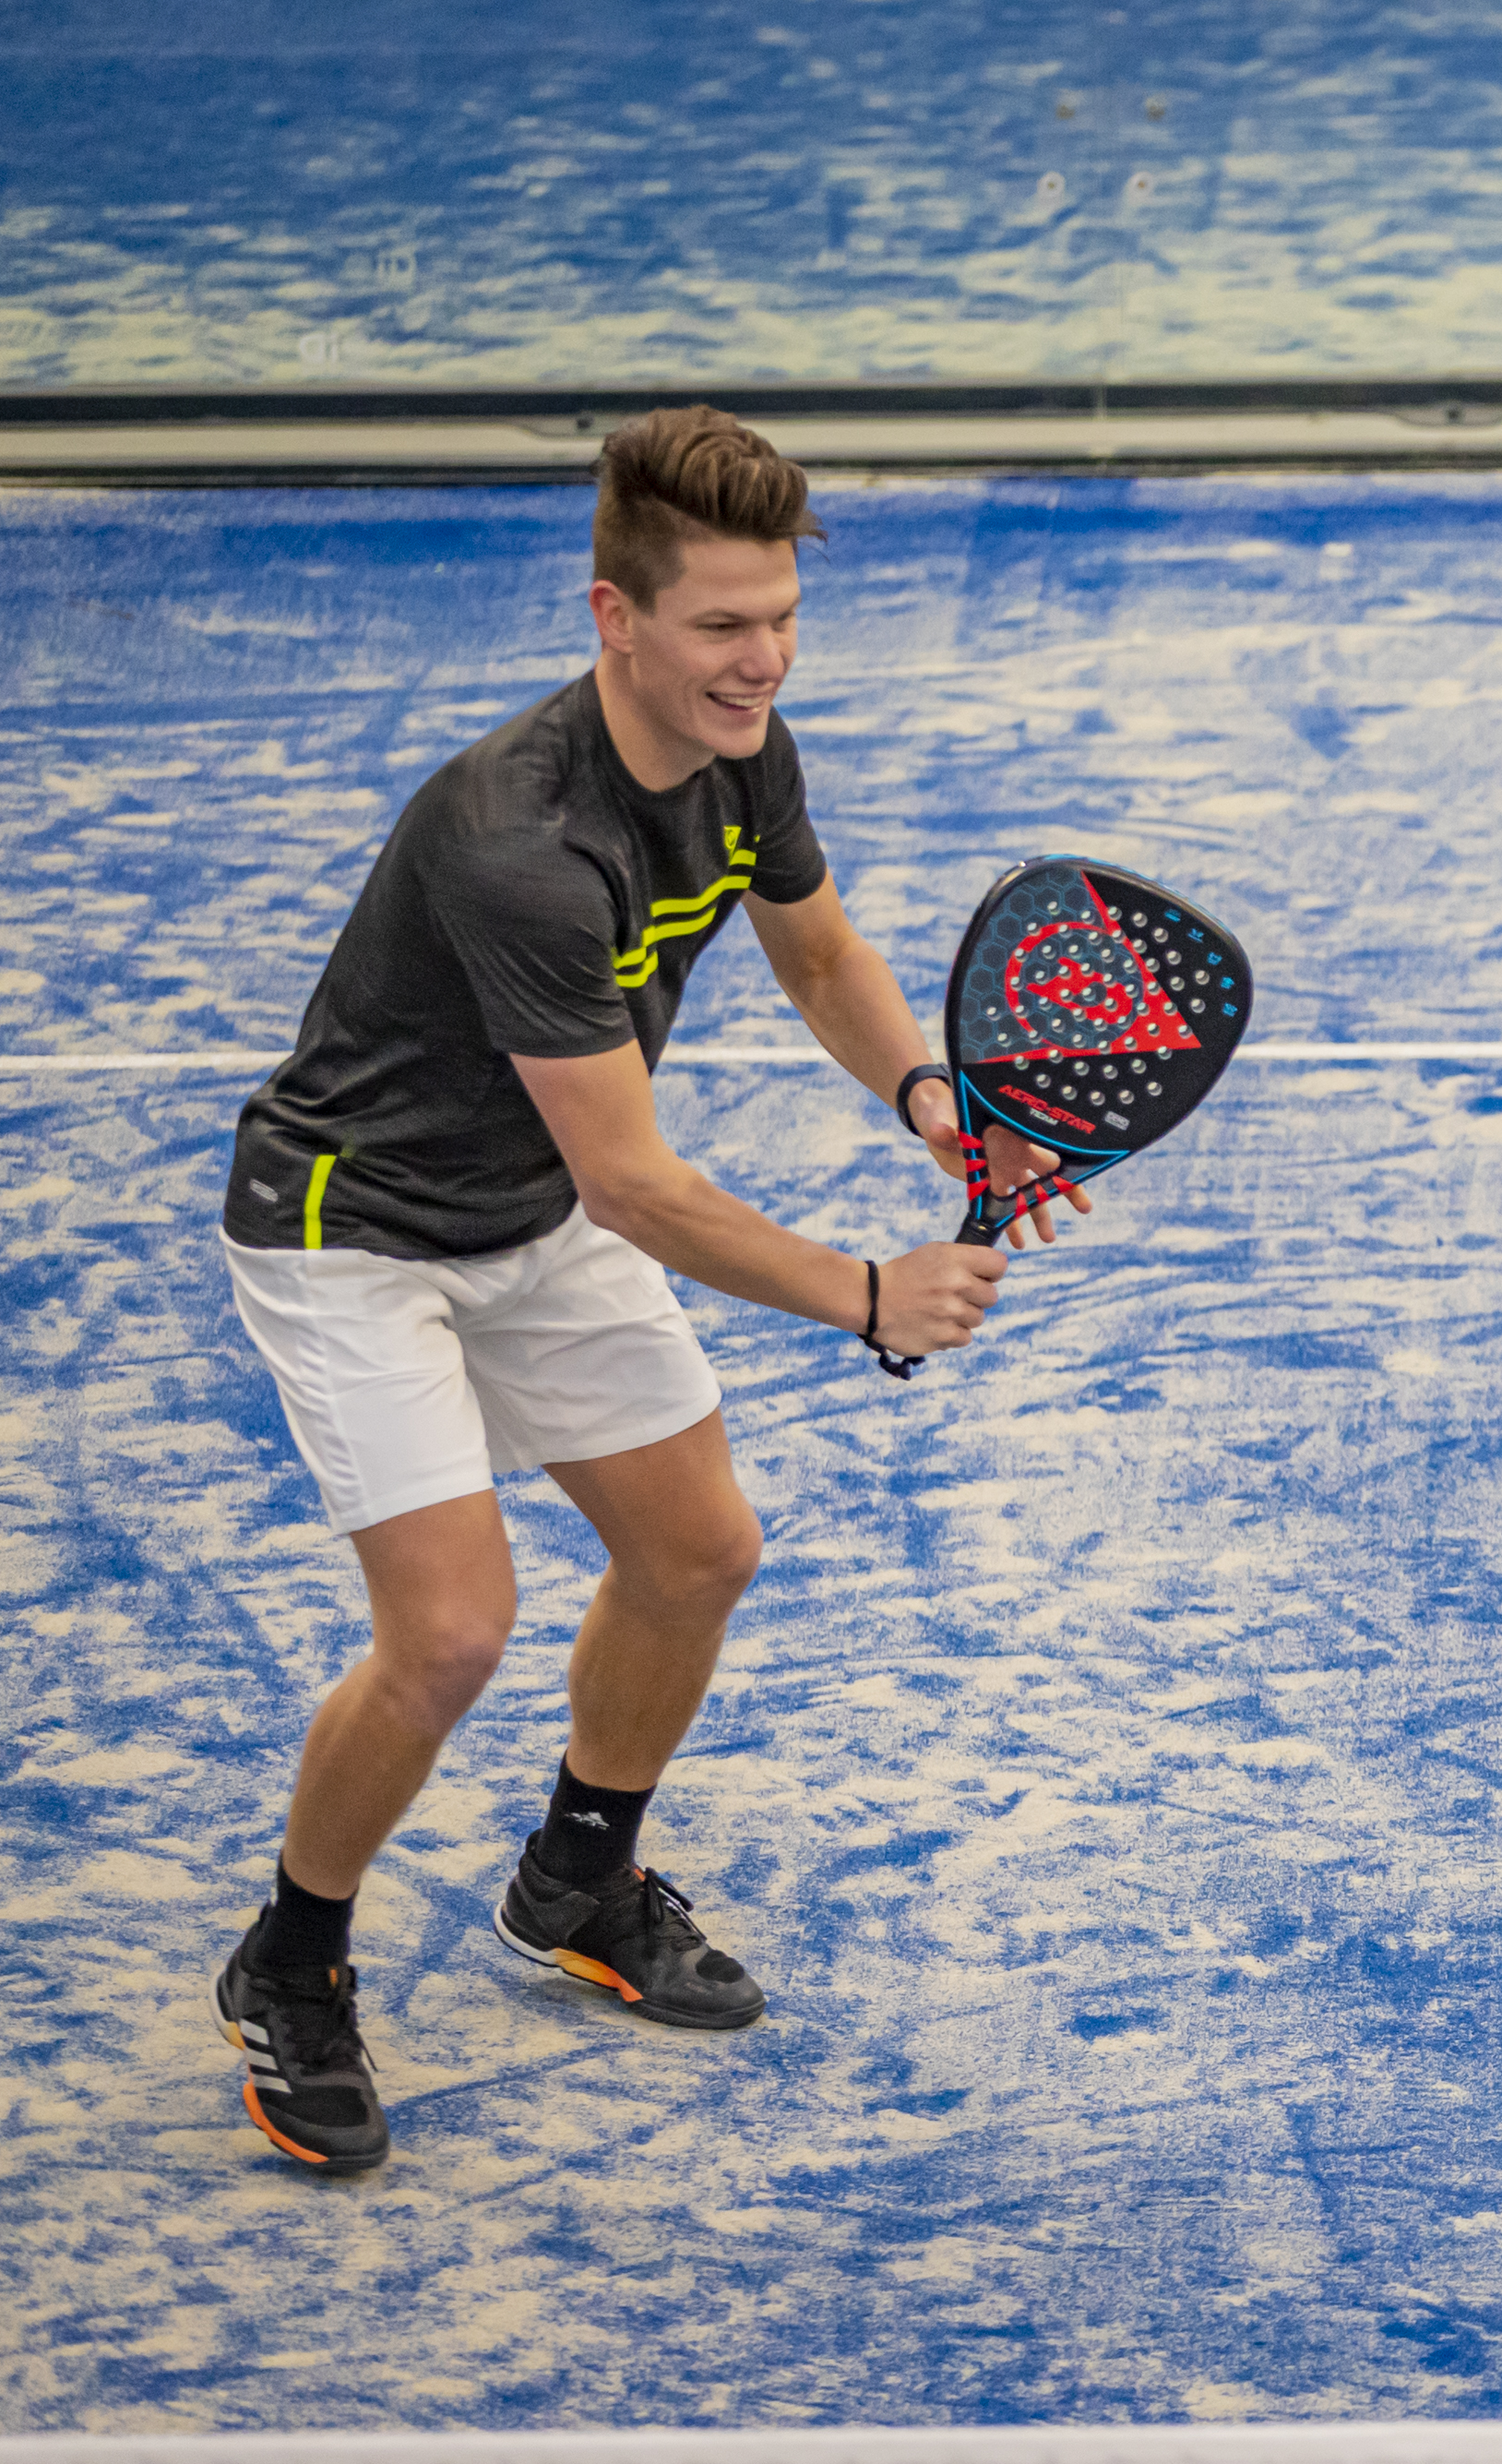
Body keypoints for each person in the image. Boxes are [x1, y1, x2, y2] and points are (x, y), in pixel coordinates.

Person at [213, 406, 1076, 2174]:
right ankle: (291, 1959)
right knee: (452, 1630)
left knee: (698, 1552)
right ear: (616, 617)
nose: (758, 662)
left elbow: (819, 948)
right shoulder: (518, 841)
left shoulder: (743, 750)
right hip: (355, 1229)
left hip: (528, 1208)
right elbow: (636, 1182)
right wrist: (866, 1292)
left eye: (778, 622)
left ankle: (577, 1875)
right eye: (718, 627)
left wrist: (927, 1096)